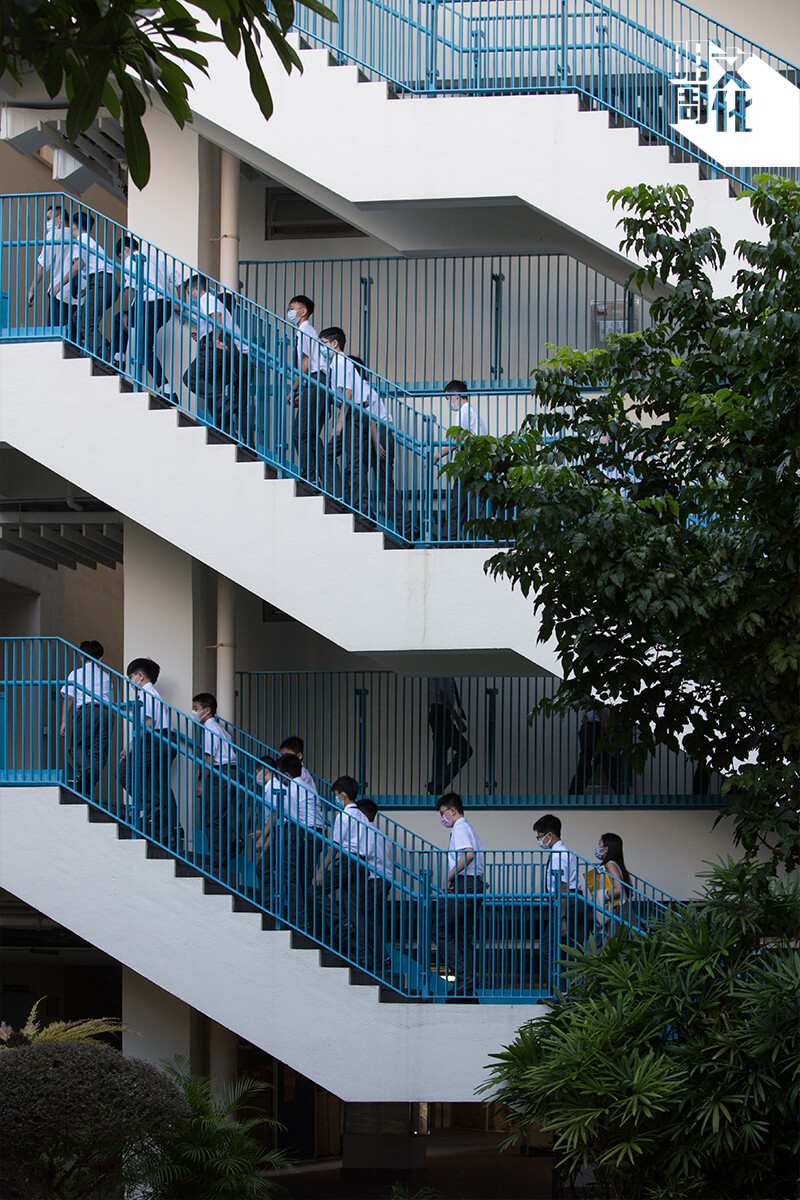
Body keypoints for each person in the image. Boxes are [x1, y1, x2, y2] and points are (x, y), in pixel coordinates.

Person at [118, 658, 180, 848]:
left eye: (131, 677)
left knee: (124, 771)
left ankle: (152, 809)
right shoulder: (153, 694)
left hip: (155, 739)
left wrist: (130, 746)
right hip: (164, 739)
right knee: (158, 783)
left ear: (140, 676)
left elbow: (148, 723)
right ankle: (168, 828)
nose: (130, 681)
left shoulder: (145, 694)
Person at [183, 275, 250, 441]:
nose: (190, 295)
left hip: (218, 344)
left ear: (196, 289)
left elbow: (217, 317)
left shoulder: (207, 299)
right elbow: (213, 320)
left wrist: (216, 339)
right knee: (210, 386)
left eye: (188, 292)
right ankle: (227, 431)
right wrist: (199, 334)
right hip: (223, 344)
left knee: (190, 378)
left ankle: (226, 404)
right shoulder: (211, 302)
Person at [316, 775, 373, 966]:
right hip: (363, 864)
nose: (335, 798)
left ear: (343, 795)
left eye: (335, 795)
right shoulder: (363, 816)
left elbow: (335, 846)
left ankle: (341, 922)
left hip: (349, 861)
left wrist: (320, 870)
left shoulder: (344, 816)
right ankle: (361, 956)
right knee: (356, 910)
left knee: (315, 890)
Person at [264, 752, 325, 929]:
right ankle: (307, 922)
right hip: (316, 834)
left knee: (290, 877)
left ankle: (298, 921)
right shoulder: (308, 786)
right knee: (303, 879)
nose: (279, 779)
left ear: (287, 775)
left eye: (279, 775)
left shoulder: (291, 790)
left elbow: (286, 818)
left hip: (302, 834)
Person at [434, 793, 484, 1001]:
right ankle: (467, 984)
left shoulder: (460, 827)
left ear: (452, 811)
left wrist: (449, 876)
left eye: (443, 813)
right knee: (464, 936)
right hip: (475, 884)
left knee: (439, 928)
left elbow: (468, 854)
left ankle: (464, 976)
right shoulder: (468, 828)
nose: (442, 818)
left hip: (466, 883)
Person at [112, 234, 175, 393]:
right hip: (164, 307)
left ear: (125, 250)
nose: (122, 260)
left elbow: (130, 290)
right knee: (143, 347)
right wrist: (179, 303)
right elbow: (177, 279)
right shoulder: (157, 260)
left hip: (149, 306)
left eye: (121, 256)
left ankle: (119, 359)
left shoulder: (131, 260)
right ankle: (165, 388)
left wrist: (126, 312)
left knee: (121, 321)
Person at [318, 327, 370, 512]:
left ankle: (361, 507)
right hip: (351, 414)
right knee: (328, 454)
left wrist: (339, 422)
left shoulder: (340, 361)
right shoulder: (338, 363)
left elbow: (348, 392)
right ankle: (338, 495)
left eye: (323, 343)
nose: (321, 347)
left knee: (355, 462)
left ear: (334, 343)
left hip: (353, 414)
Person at [533, 813, 586, 990]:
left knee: (547, 949)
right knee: (568, 949)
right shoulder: (562, 853)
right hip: (570, 901)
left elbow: (562, 886)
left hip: (566, 902)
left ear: (550, 834)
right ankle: (568, 990)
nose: (539, 841)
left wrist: (562, 916)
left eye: (540, 837)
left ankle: (557, 990)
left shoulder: (558, 855)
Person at [191, 693, 240, 881]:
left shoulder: (210, 728)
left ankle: (219, 856)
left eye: (196, 708)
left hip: (222, 773)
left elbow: (210, 758)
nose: (194, 712)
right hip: (228, 773)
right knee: (218, 816)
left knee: (212, 817)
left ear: (207, 710)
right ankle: (231, 845)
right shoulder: (219, 728)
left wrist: (201, 783)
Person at [433, 380, 488, 539]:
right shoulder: (471, 412)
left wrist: (438, 455)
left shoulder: (464, 411)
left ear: (455, 395)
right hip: (474, 459)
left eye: (448, 398)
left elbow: (457, 441)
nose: (450, 403)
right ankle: (450, 539)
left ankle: (451, 539)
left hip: (468, 460)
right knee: (463, 503)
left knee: (467, 503)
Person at [59, 639, 112, 795]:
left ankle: (87, 773)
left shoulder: (76, 674)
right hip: (106, 713)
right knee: (98, 751)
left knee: (76, 747)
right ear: (101, 658)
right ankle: (86, 785)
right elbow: (111, 699)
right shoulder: (106, 676)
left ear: (81, 656)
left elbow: (69, 698)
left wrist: (63, 721)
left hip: (87, 711)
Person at [287, 295, 327, 486]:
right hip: (317, 382)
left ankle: (308, 477)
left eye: (292, 308)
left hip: (315, 380)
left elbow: (305, 363)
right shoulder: (308, 331)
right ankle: (323, 478)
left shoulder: (304, 331)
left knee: (299, 432)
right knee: (309, 434)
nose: (290, 312)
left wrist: (293, 389)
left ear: (303, 312)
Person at [69, 211, 116, 356]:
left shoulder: (80, 241)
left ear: (74, 227)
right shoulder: (89, 241)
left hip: (101, 281)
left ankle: (106, 359)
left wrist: (59, 284)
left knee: (85, 323)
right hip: (102, 282)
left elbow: (78, 265)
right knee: (78, 318)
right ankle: (102, 348)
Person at [27, 202, 78, 329]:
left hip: (60, 291)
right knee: (73, 338)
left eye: (49, 219)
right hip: (78, 295)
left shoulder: (54, 235)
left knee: (55, 334)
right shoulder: (77, 236)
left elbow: (43, 264)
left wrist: (32, 289)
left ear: (59, 218)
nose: (47, 223)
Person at [427, 677, 473, 795]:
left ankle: (436, 788)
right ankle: (438, 784)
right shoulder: (442, 670)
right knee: (465, 750)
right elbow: (442, 695)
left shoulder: (443, 670)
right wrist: (458, 719)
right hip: (440, 713)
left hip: (439, 713)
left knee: (440, 751)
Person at [568, 706, 622, 794]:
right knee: (590, 764)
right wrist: (607, 724)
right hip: (596, 727)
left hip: (598, 727)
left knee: (610, 766)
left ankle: (574, 795)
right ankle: (574, 794)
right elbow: (599, 706)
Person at [589, 832, 631, 941]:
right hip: (615, 909)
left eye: (599, 844)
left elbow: (618, 889)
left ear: (606, 849)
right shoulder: (613, 864)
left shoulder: (610, 865)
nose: (597, 847)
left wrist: (602, 894)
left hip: (615, 909)